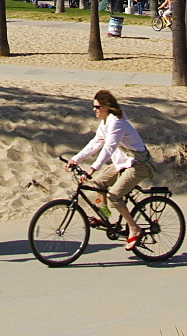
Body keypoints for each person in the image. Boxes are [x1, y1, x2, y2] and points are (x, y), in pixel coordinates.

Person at [67, 89, 155, 252]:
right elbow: (94, 144)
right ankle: (104, 215)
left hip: (138, 164)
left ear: (107, 107)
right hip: (123, 162)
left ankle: (134, 228)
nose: (94, 109)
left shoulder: (117, 123)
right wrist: (75, 159)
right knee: (97, 184)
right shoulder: (105, 123)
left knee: (114, 195)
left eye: (97, 107)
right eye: (94, 106)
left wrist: (92, 169)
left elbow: (108, 148)